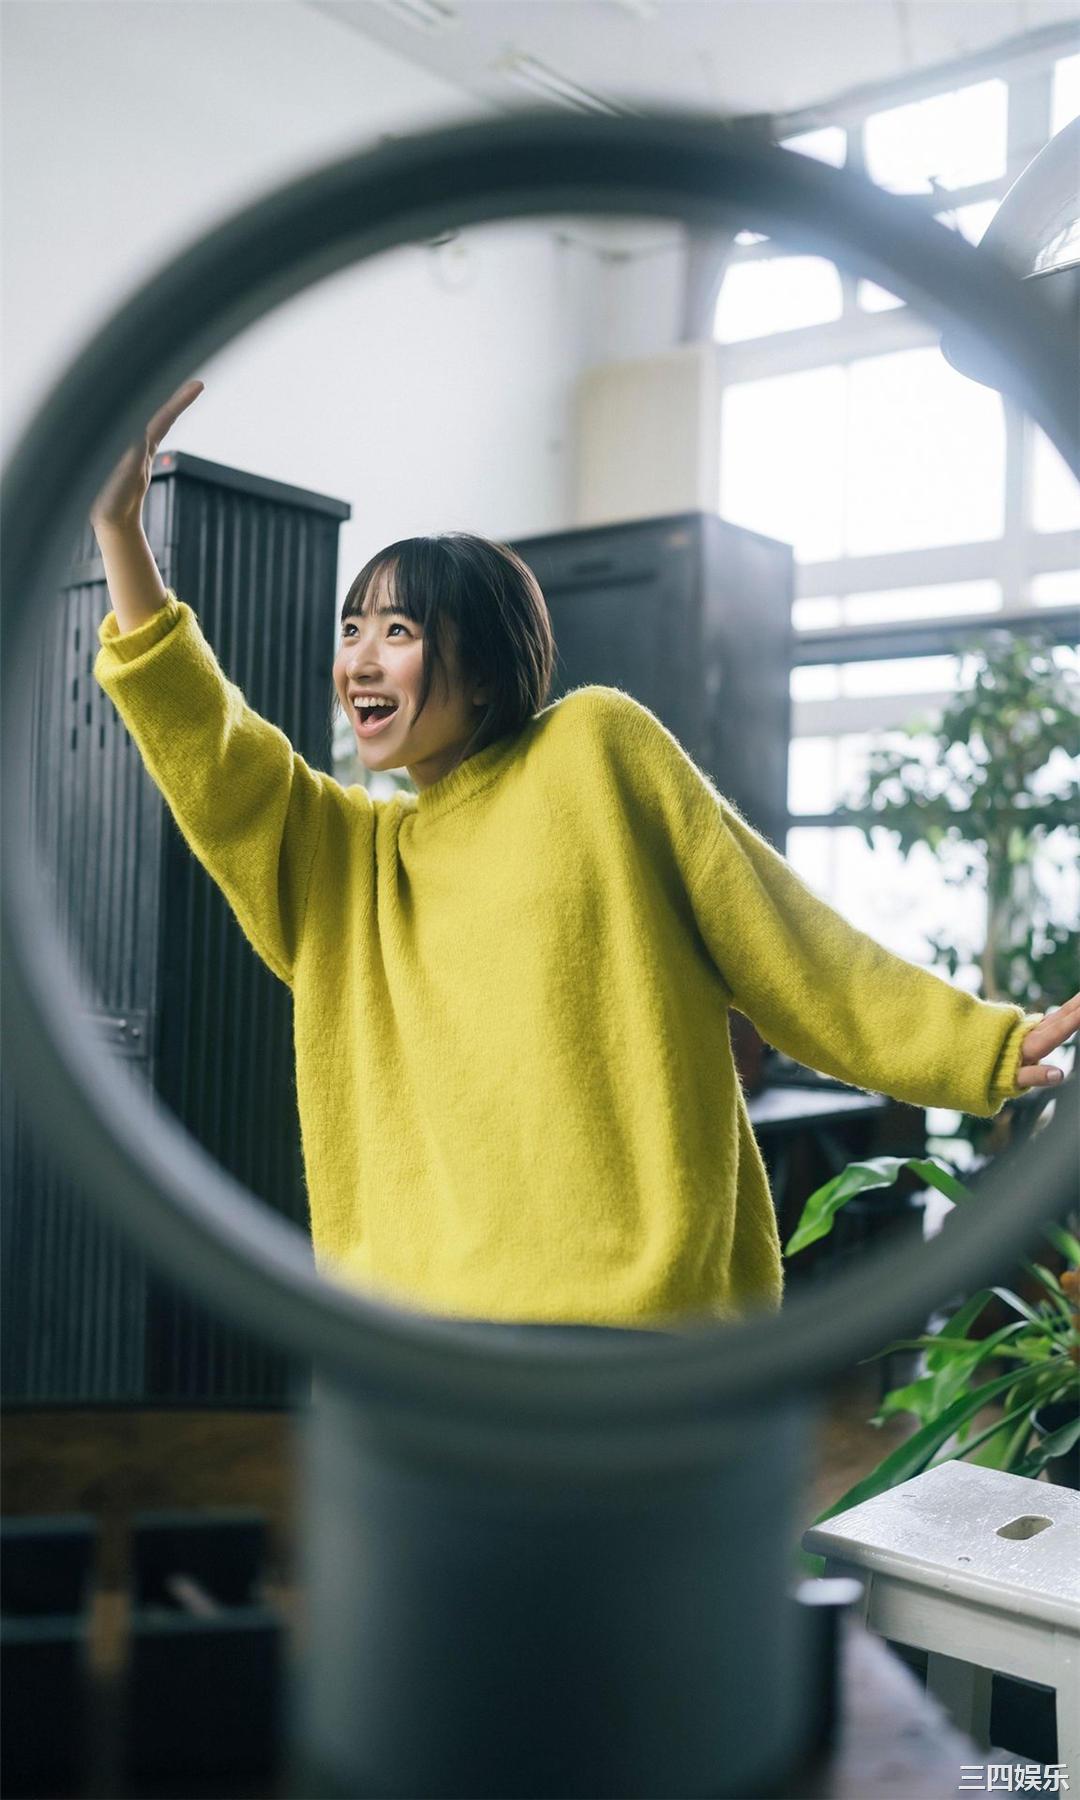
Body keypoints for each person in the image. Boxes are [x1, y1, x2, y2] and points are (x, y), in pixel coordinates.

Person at [89, 379, 1078, 1333]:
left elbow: (783, 939)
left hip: (644, 1325)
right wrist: (120, 531)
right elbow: (212, 750)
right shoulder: (349, 861)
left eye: (399, 630)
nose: (361, 658)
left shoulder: (594, 750)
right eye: (353, 630)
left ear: (480, 668)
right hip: (419, 1346)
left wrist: (980, 1045)